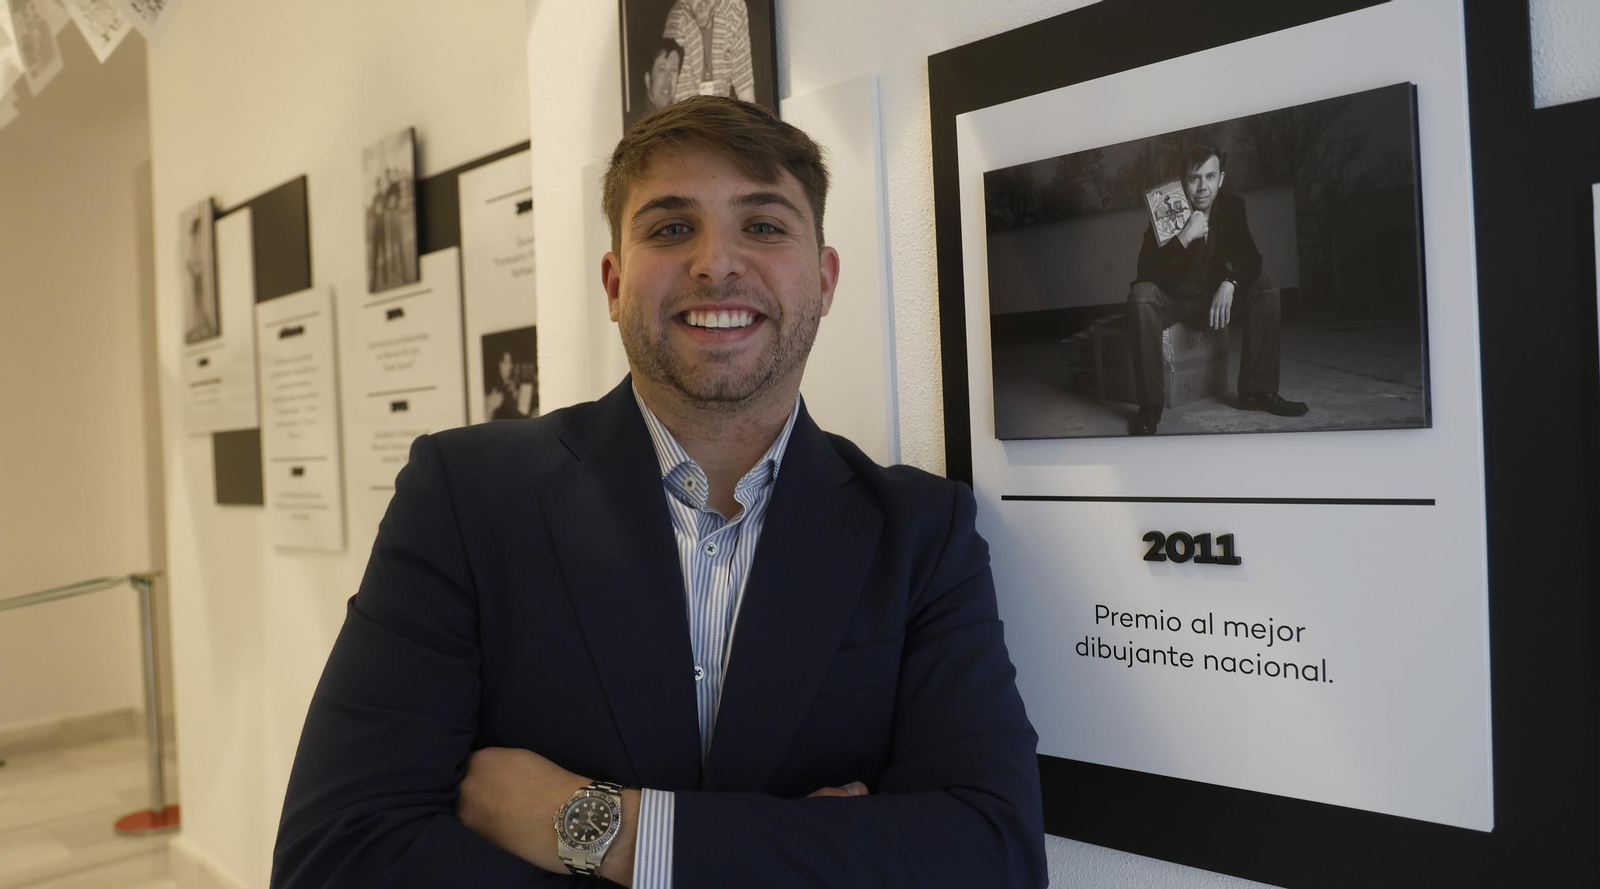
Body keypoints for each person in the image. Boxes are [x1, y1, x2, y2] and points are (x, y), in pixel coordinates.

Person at [271, 96, 1046, 888]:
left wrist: (609, 832)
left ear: (824, 279)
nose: (716, 262)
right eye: (671, 228)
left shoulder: (921, 532)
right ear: (613, 283)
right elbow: (337, 857)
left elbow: (995, 857)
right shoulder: (465, 499)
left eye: (765, 225)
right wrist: (812, 848)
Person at [1125, 144, 1308, 435]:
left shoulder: (1232, 208)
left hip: (1211, 302)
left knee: (1265, 285)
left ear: (1221, 179)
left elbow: (1252, 260)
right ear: (1183, 182)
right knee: (1141, 294)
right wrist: (1183, 238)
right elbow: (1145, 274)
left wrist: (1231, 282)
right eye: (1194, 178)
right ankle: (1150, 406)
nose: (1202, 187)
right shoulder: (1165, 209)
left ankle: (1257, 392)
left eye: (1210, 177)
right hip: (1171, 302)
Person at [662, 0, 755, 104]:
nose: (702, 2)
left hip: (721, 111)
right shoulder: (677, 22)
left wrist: (752, 119)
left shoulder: (734, 9)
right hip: (690, 112)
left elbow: (744, 82)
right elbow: (683, 102)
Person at [644, 37, 685, 113]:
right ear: (648, 79)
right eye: (662, 69)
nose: (669, 77)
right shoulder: (636, 122)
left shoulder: (676, 116)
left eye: (674, 70)